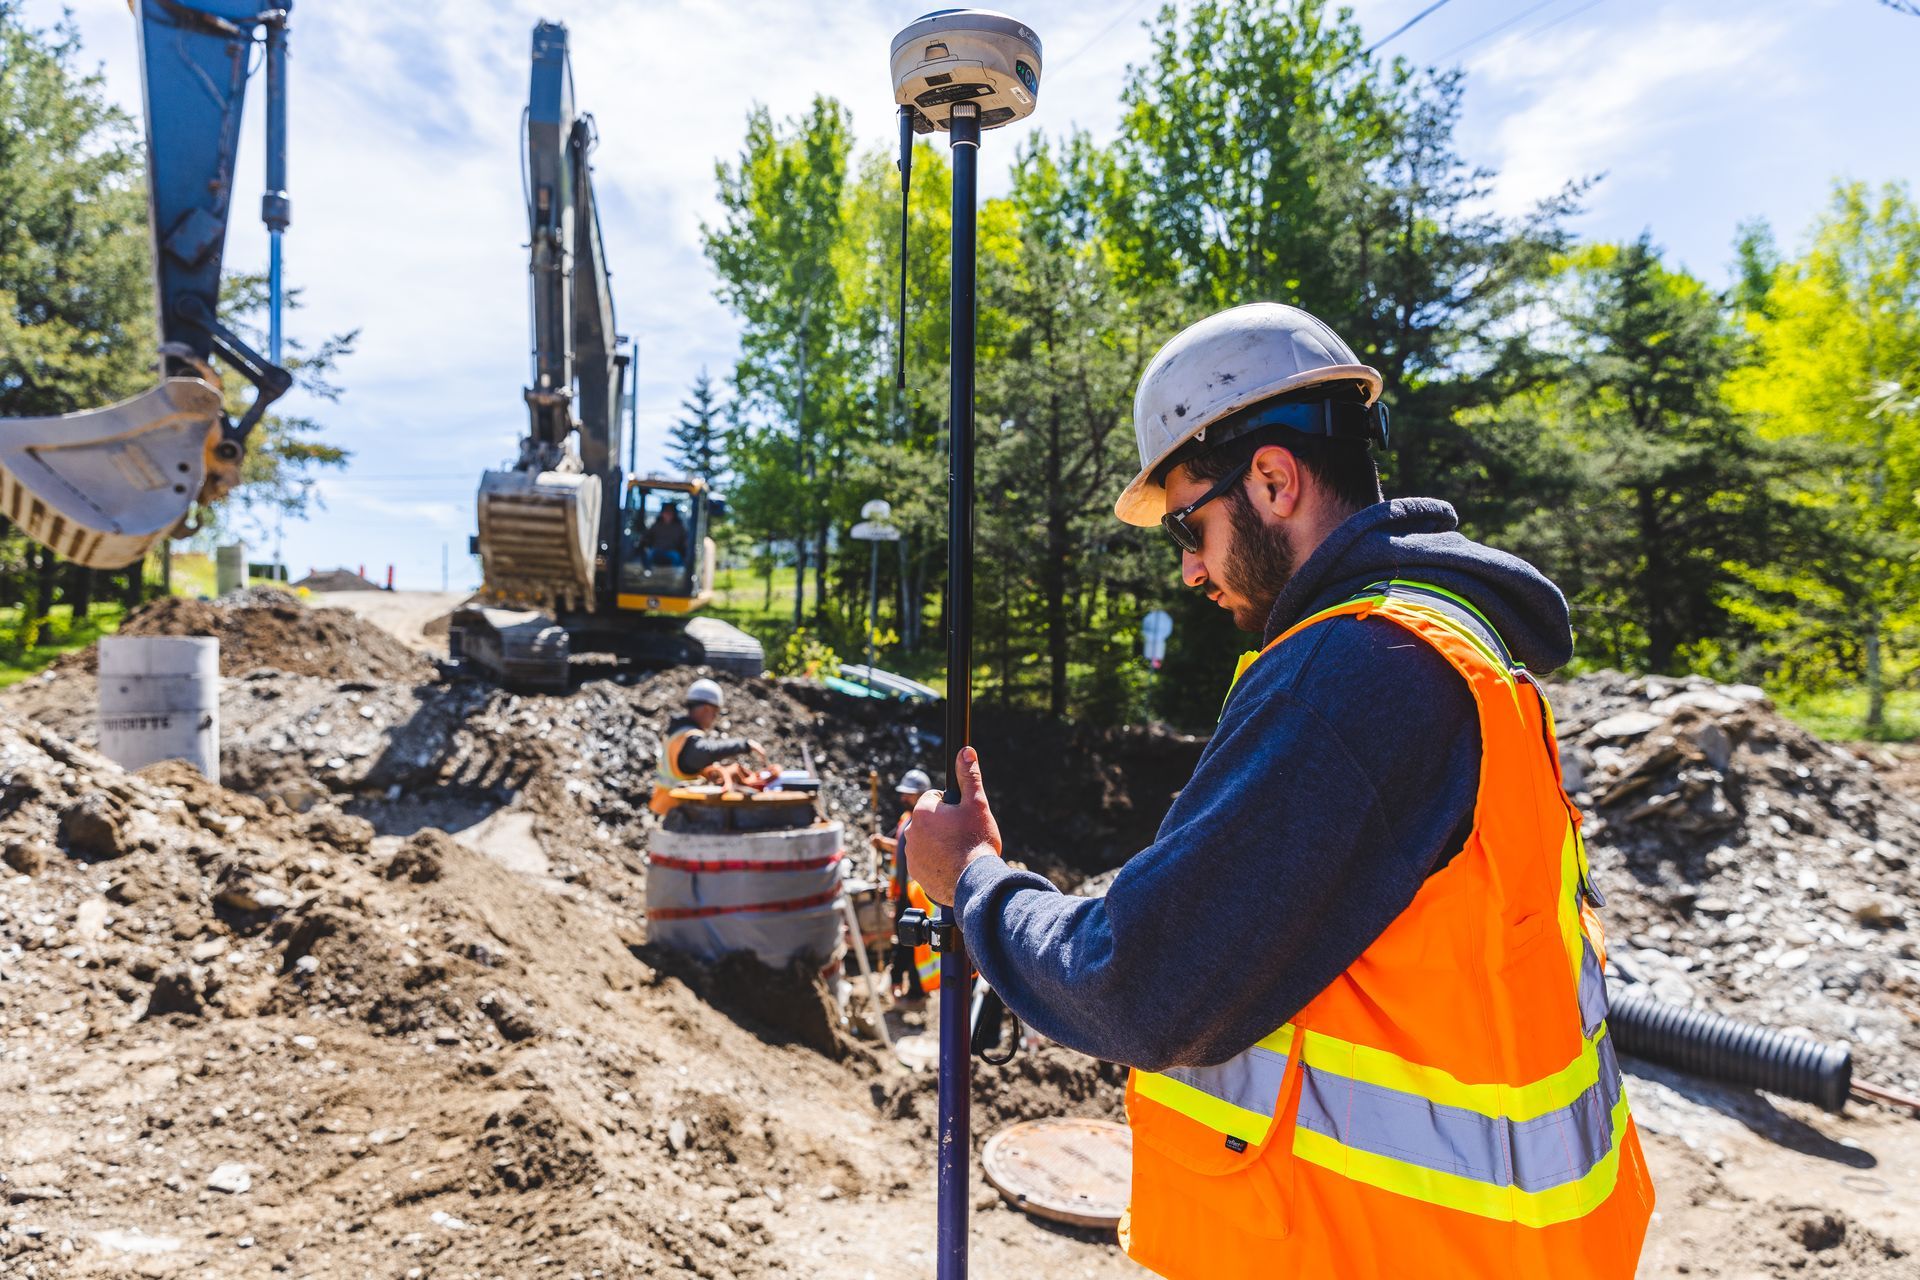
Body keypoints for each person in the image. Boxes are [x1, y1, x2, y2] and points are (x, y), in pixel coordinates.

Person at [907, 303, 1653, 1279]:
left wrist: (972, 880)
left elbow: (1138, 983)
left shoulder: (1355, 671)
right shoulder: (1461, 651)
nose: (1186, 565)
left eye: (1190, 522)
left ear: (1272, 479)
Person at [649, 678, 768, 815]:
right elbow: (706, 752)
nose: (714, 718)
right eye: (715, 713)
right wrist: (743, 745)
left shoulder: (677, 732)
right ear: (707, 709)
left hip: (665, 806)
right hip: (675, 811)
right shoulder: (688, 737)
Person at [872, 768, 940, 999]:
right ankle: (905, 984)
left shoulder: (930, 822)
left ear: (922, 794)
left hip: (919, 895)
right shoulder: (905, 820)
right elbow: (904, 849)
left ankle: (916, 990)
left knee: (913, 943)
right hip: (904, 893)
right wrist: (884, 844)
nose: (903, 798)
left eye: (908, 794)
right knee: (904, 940)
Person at [644, 503, 689, 568]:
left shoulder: (679, 527)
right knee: (649, 555)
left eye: (670, 513)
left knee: (676, 557)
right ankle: (648, 574)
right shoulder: (656, 526)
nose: (668, 515)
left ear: (673, 514)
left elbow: (685, 540)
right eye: (666, 512)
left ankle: (675, 576)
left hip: (672, 552)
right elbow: (647, 537)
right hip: (657, 551)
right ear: (662, 514)